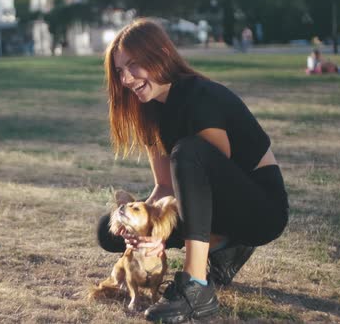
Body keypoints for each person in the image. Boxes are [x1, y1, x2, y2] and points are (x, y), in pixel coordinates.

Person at [97, 19, 289, 323]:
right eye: (120, 71)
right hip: (214, 207)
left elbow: (209, 187)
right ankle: (225, 249)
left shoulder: (199, 97)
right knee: (109, 231)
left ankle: (196, 286)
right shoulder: (150, 111)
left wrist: (163, 235)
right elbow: (164, 186)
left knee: (188, 152)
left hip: (260, 211)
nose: (125, 79)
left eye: (133, 65)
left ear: (159, 54)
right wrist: (147, 233)